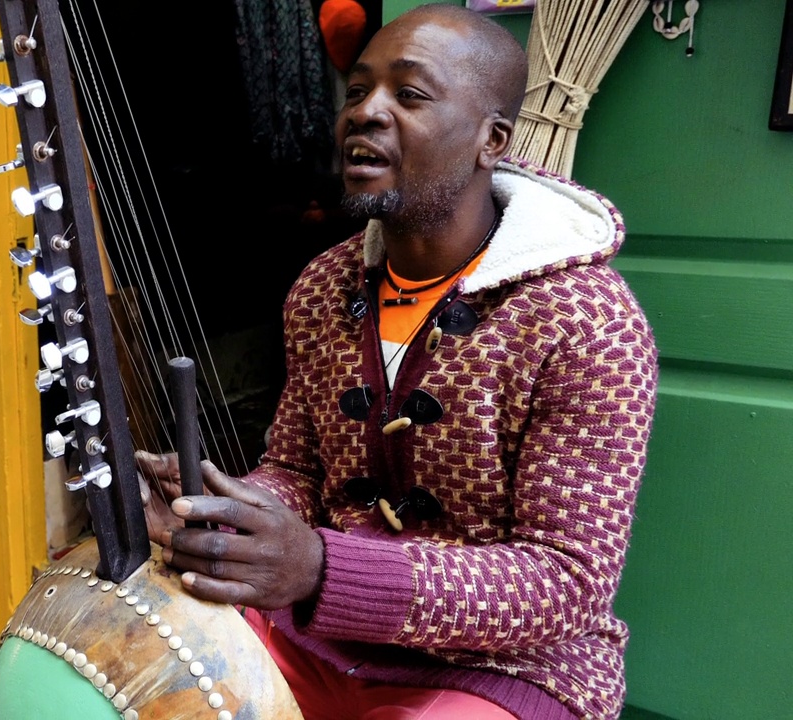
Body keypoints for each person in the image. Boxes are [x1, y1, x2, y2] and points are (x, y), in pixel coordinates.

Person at [135, 4, 658, 719]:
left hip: (508, 670)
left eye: (409, 95)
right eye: (356, 92)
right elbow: (297, 471)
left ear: (491, 140)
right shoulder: (324, 286)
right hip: (323, 637)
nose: (365, 114)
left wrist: (320, 567)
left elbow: (565, 581)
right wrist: (225, 510)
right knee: (130, 654)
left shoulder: (585, 319)